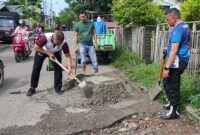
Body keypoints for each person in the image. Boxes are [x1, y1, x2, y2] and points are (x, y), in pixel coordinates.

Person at [161, 8, 190, 119]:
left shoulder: (177, 29)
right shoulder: (185, 26)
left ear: (174, 17)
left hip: (177, 61)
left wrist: (167, 68)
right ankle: (171, 103)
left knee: (172, 84)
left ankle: (174, 111)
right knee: (168, 82)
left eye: (168, 19)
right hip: (182, 59)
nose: (167, 22)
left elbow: (174, 50)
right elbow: (185, 43)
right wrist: (167, 48)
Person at [26, 31, 72, 96]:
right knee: (36, 68)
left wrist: (69, 69)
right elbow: (36, 48)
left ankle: (58, 88)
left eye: (59, 44)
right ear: (53, 38)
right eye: (57, 43)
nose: (58, 45)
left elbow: (68, 56)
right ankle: (32, 88)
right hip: (42, 50)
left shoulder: (64, 43)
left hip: (55, 53)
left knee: (58, 69)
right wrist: (48, 53)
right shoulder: (45, 38)